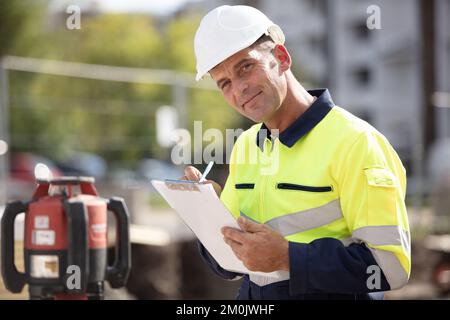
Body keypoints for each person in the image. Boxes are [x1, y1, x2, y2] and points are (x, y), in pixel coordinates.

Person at [183, 5, 410, 300]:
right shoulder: (246, 146)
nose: (239, 89)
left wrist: (288, 257)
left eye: (246, 67)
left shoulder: (356, 143)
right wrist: (208, 216)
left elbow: (389, 269)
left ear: (281, 57)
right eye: (224, 83)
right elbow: (231, 266)